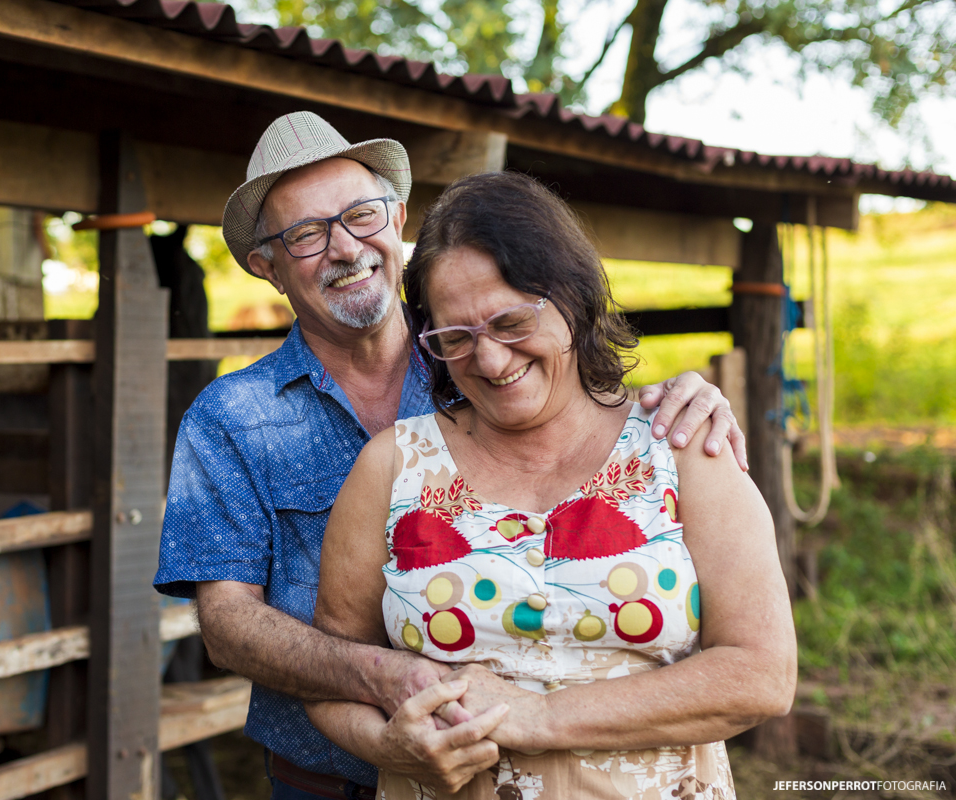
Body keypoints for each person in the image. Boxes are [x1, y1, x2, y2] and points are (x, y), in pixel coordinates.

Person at [154, 111, 751, 800]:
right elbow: (227, 626)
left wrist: (677, 397)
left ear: (399, 216)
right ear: (267, 265)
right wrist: (385, 681)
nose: (346, 247)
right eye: (307, 235)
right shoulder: (229, 417)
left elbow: (585, 418)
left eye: (360, 214)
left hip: (534, 766)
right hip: (324, 772)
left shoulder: (476, 354)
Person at [305, 171, 796, 799]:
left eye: (511, 323)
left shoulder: (681, 447)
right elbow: (330, 675)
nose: (489, 360)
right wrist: (384, 744)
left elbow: (762, 674)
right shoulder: (392, 467)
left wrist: (539, 717)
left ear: (572, 298)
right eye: (455, 338)